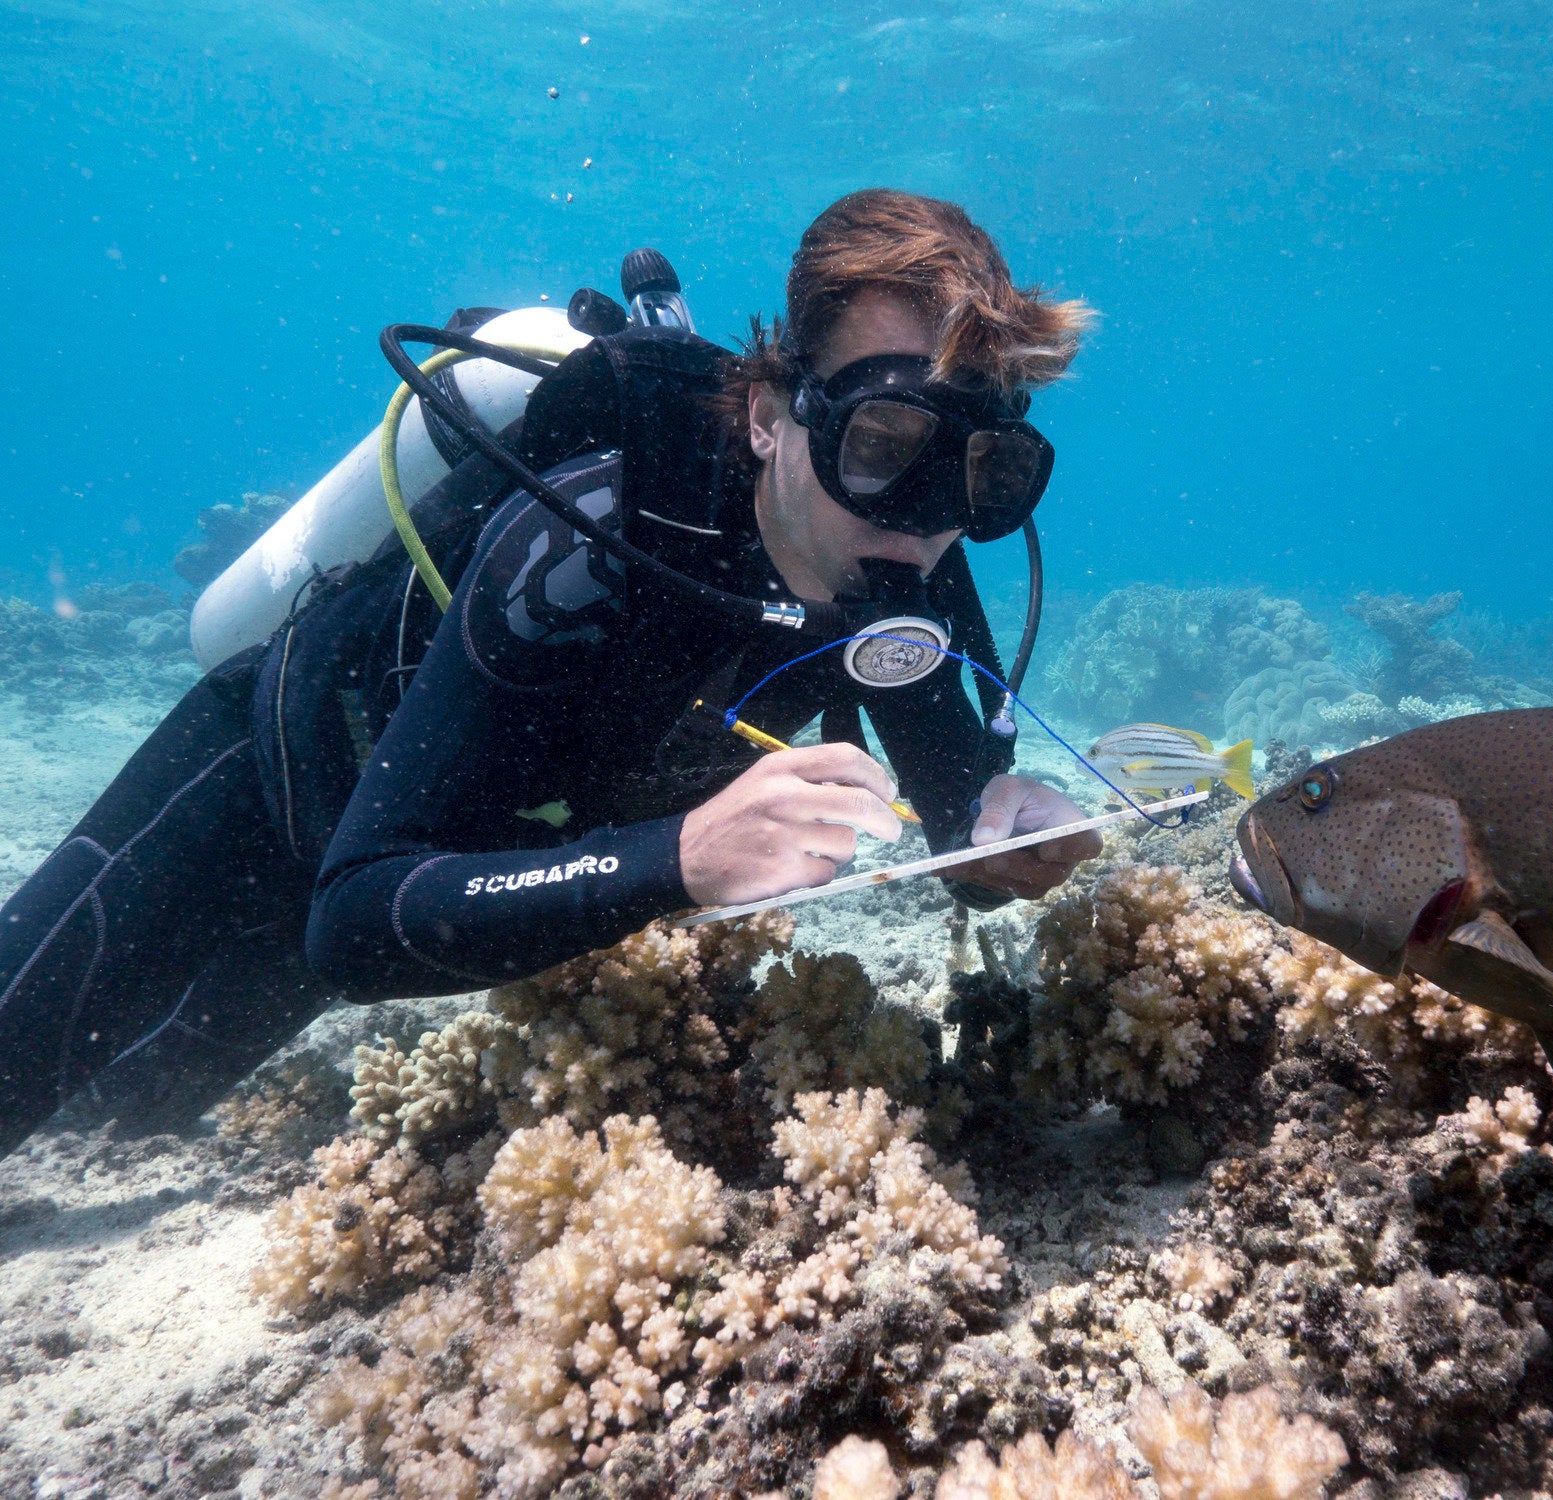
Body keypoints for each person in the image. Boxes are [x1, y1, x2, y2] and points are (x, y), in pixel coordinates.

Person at [0, 189, 1102, 1155]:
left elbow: (958, 833)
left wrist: (1002, 829)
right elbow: (350, 914)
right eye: (877, 446)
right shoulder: (586, 538)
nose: (925, 524)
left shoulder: (905, 568)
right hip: (276, 776)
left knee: (138, 1106)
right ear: (770, 418)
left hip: (455, 887)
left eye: (982, 474)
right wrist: (678, 857)